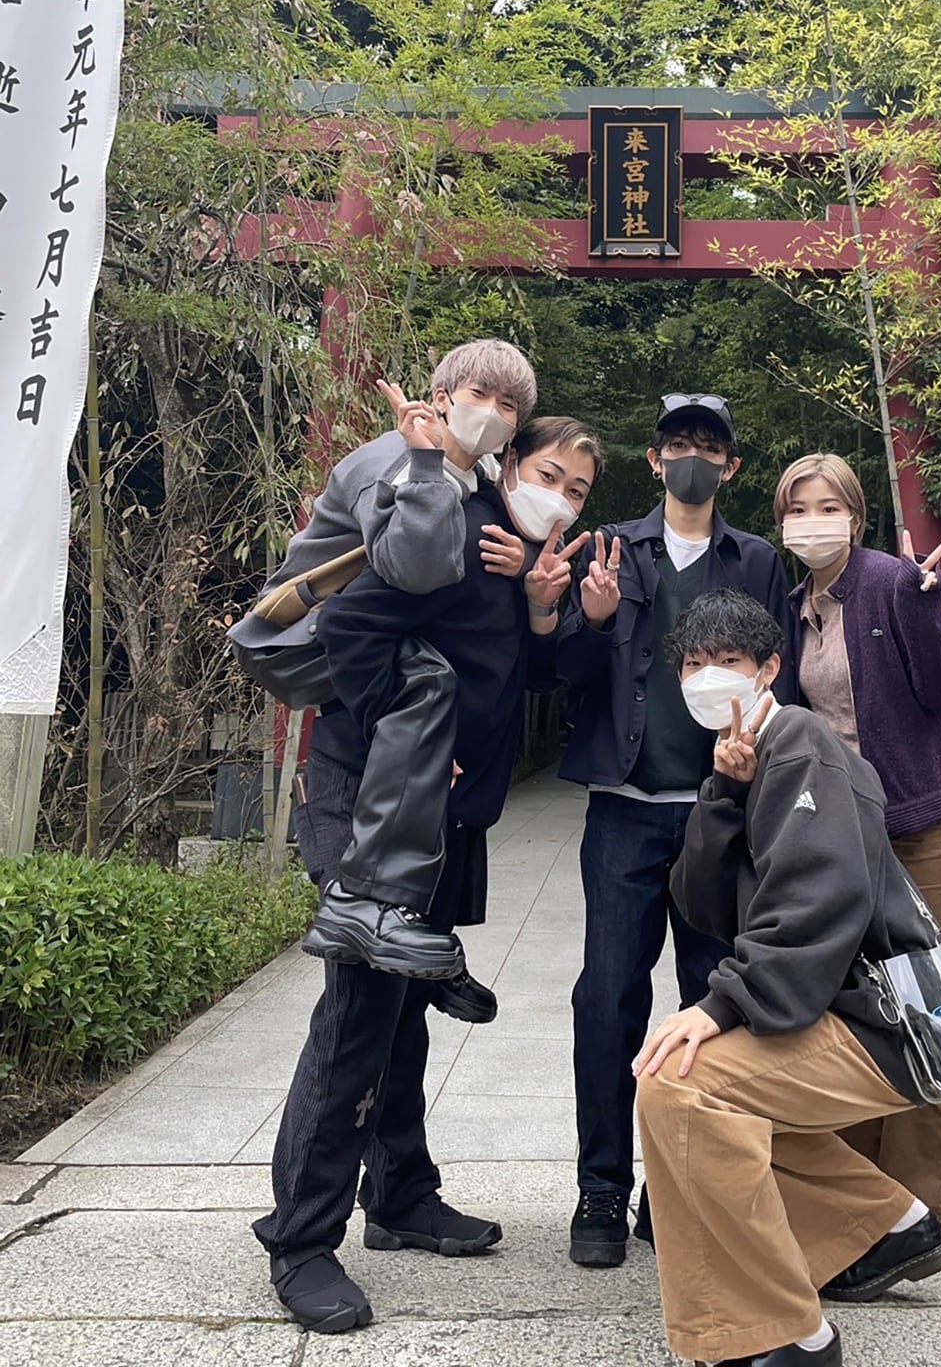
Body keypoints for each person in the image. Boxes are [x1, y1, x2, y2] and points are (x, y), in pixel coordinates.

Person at [253, 416, 603, 1334]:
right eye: (548, 474)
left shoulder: (516, 556)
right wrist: (396, 742)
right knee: (360, 1013)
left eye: (577, 491)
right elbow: (353, 625)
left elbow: (527, 678)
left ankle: (401, 1193)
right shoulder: (453, 520)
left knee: (403, 1005)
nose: (559, 498)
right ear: (507, 463)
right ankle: (300, 1240)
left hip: (441, 819)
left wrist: (538, 602)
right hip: (373, 802)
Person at [634, 587, 941, 1367]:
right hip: (833, 1010)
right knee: (701, 1094)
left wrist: (721, 1006)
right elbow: (702, 905)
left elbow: (821, 903)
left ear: (770, 668)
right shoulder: (752, 757)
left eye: (729, 661)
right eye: (695, 664)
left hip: (878, 1023)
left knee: (681, 1087)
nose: (710, 677)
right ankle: (882, 1226)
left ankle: (784, 1334)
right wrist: (723, 794)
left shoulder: (803, 742)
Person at [556, 393, 790, 1267]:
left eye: (710, 447)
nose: (694, 459)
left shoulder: (756, 560)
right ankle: (601, 1187)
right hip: (625, 807)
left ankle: (678, 1186)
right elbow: (559, 668)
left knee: (710, 996)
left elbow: (784, 674)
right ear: (654, 460)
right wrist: (593, 616)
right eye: (678, 445)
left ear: (731, 466)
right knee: (606, 997)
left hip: (720, 810)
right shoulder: (611, 548)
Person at [230, 338, 538, 980]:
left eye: (508, 405)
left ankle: (417, 944)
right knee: (429, 682)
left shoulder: (479, 478)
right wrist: (424, 462)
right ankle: (357, 907)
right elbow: (414, 571)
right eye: (479, 394)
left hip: (377, 654)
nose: (492, 411)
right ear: (441, 398)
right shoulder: (392, 462)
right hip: (323, 642)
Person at [774, 452, 941, 1249]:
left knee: (932, 1007)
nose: (812, 522)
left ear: (856, 518)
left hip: (923, 825)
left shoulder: (896, 582)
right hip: (843, 835)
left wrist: (927, 606)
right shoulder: (793, 606)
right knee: (854, 1014)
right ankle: (864, 1220)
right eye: (797, 508)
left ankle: (924, 1220)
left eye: (828, 507)